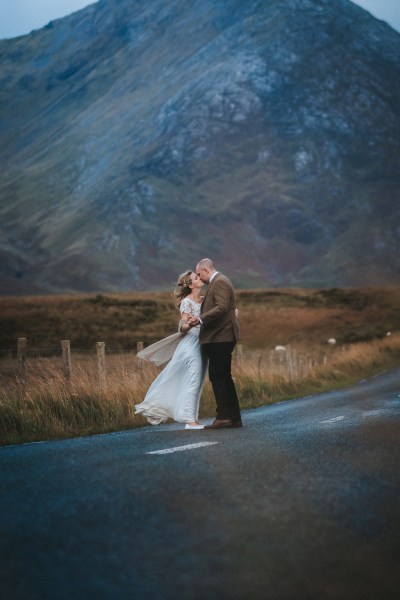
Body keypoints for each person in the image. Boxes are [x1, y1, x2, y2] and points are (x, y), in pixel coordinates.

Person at [134, 270, 208, 430]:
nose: (200, 278)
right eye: (196, 277)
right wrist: (192, 323)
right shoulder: (187, 302)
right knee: (193, 379)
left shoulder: (203, 300)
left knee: (198, 380)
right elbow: (182, 327)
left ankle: (192, 418)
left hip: (202, 344)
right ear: (190, 284)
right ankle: (190, 421)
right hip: (190, 344)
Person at [188, 258, 242, 429]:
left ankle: (223, 417)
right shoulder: (219, 281)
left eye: (198, 274)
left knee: (218, 377)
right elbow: (225, 307)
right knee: (225, 377)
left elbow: (221, 307)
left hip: (221, 336)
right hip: (222, 336)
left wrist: (200, 319)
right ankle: (234, 418)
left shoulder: (219, 282)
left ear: (206, 270)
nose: (198, 277)